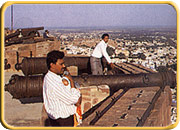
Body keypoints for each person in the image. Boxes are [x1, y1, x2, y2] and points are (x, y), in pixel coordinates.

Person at [43, 50, 81, 126]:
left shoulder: (56, 77)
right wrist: (71, 81)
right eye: (61, 64)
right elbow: (74, 100)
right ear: (52, 65)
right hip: (63, 121)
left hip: (64, 119)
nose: (63, 66)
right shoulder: (53, 82)